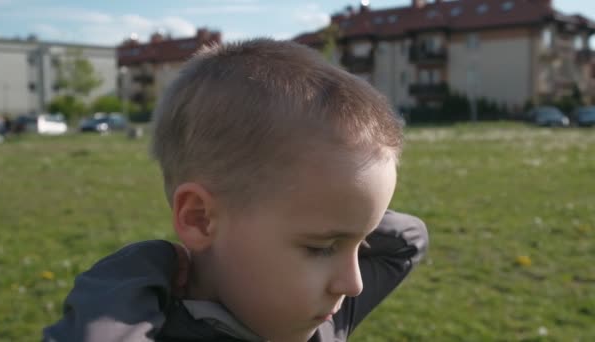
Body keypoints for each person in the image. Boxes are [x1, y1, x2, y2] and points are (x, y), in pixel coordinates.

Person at [43, 38, 429, 342]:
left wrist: (348, 226)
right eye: (321, 247)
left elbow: (409, 241)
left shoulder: (321, 318)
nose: (354, 284)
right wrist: (131, 276)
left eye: (360, 248)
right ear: (199, 218)